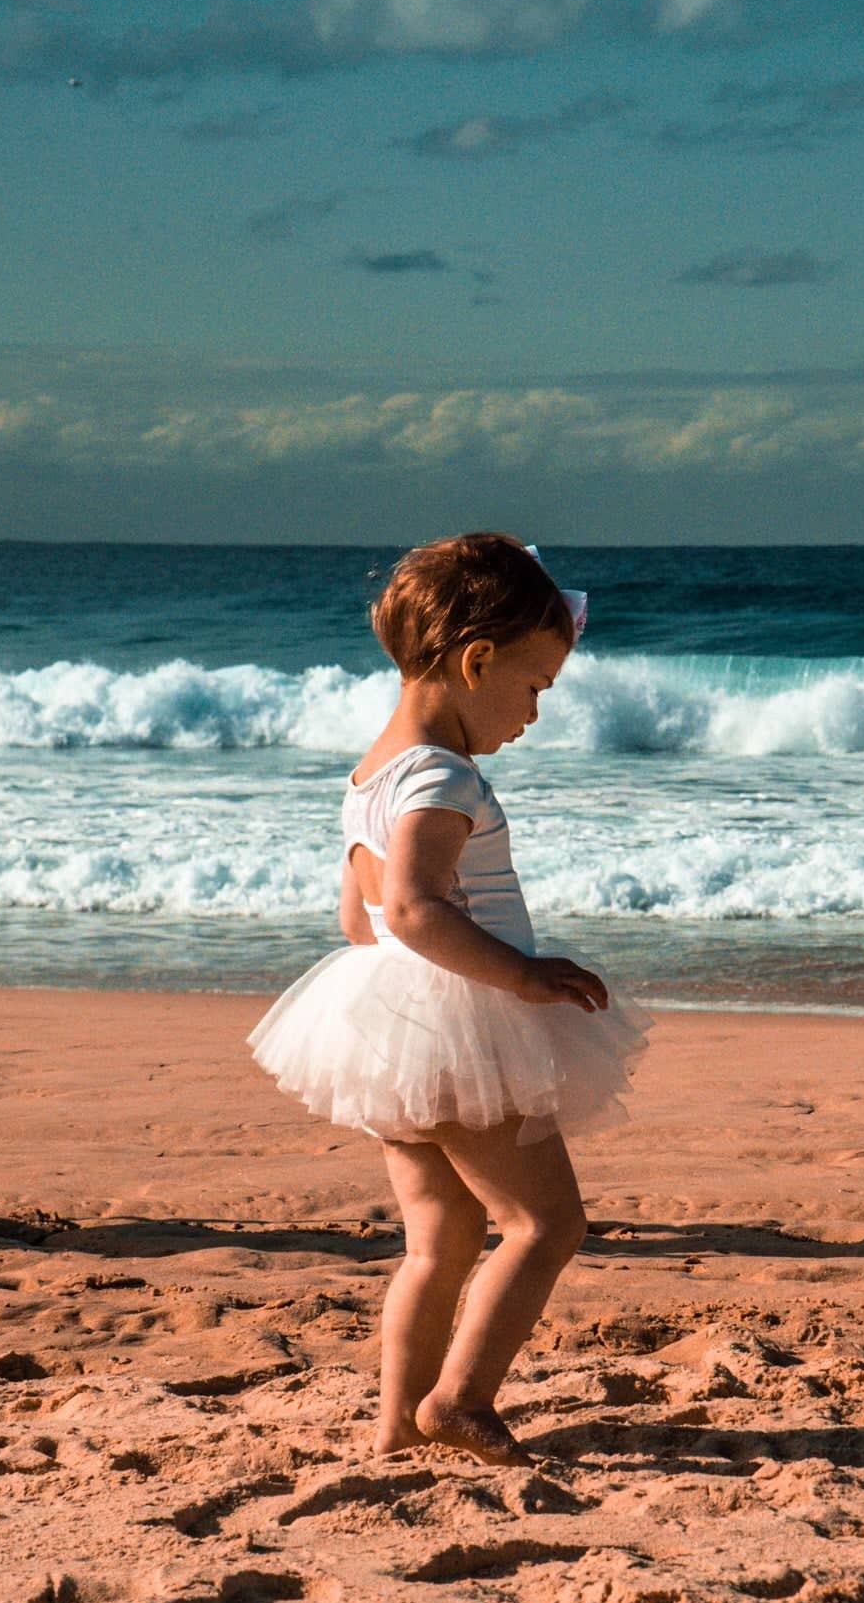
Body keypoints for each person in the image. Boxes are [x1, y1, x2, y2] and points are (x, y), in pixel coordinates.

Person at [249, 533, 644, 1464]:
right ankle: (459, 1399)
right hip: (462, 1032)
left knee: (439, 1243)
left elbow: (359, 921)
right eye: (535, 687)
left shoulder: (372, 774)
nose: (535, 713)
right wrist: (520, 976)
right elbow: (414, 910)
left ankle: (394, 1425)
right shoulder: (443, 775)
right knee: (546, 1224)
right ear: (476, 661)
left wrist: (415, 977)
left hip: (390, 1037)